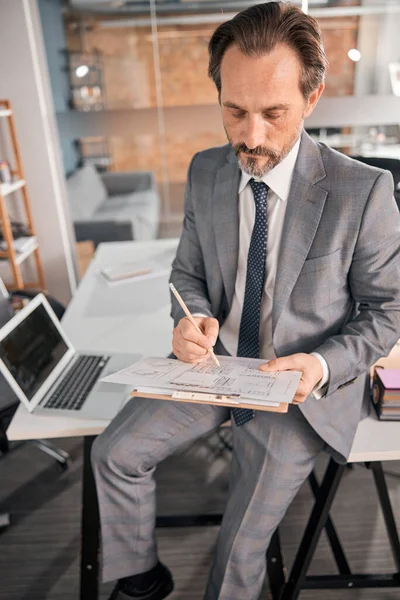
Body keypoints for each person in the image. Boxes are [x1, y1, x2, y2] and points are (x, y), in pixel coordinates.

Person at [91, 3, 400, 600]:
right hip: (217, 364)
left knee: (238, 548)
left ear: (312, 100)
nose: (251, 137)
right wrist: (189, 319)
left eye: (272, 113)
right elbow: (186, 273)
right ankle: (140, 579)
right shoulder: (206, 170)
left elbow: (388, 311)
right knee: (113, 454)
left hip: (300, 387)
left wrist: (322, 364)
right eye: (235, 111)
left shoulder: (365, 192)